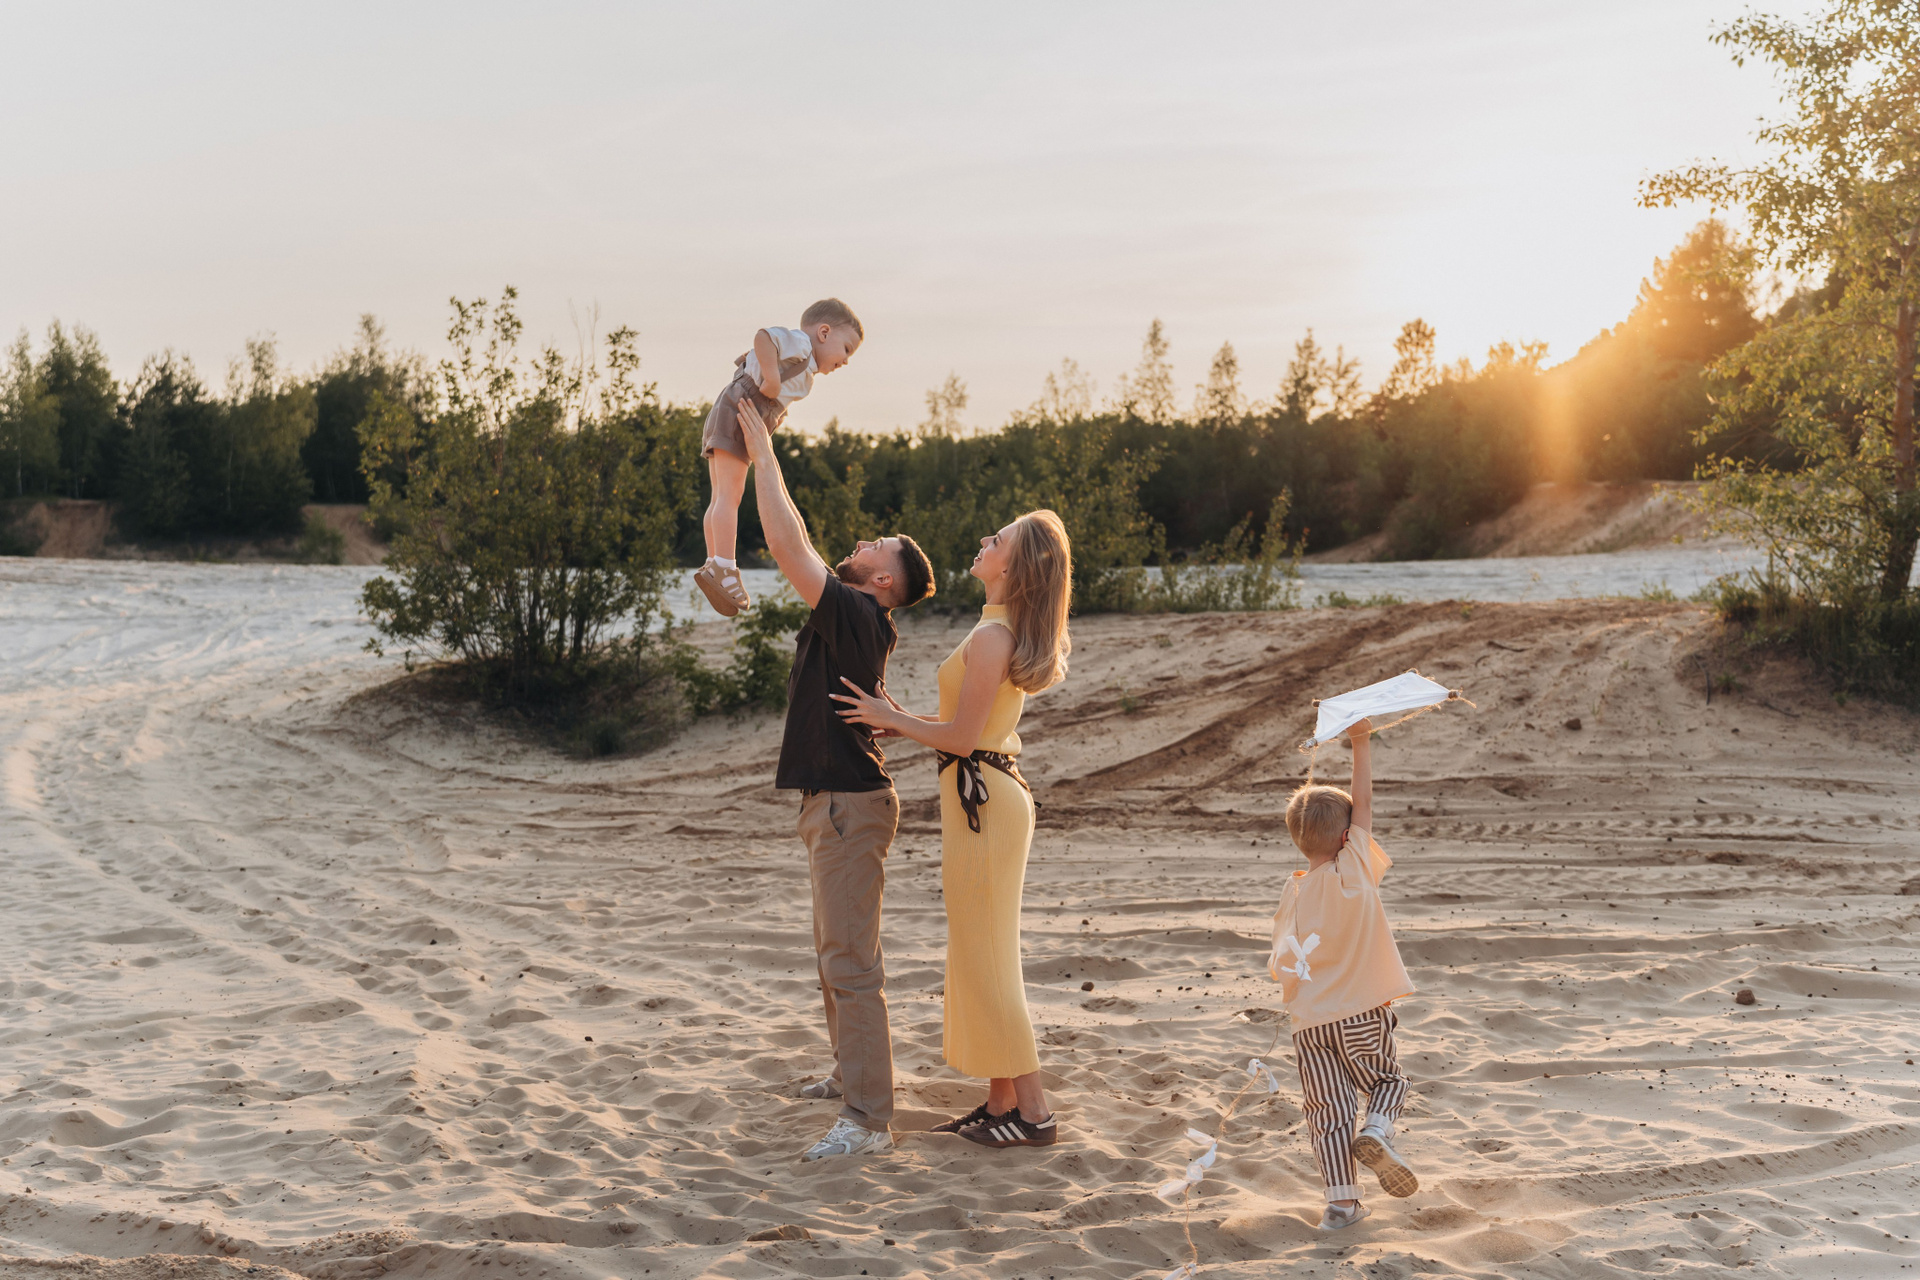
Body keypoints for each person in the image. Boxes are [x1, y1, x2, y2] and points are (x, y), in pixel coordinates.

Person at [732, 397, 935, 1162]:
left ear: (883, 579)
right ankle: (850, 1077)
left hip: (851, 806)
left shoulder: (858, 611)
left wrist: (763, 452)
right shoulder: (856, 614)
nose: (862, 541)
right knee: (834, 959)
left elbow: (788, 544)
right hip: (834, 803)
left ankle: (869, 1121)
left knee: (851, 966)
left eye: (876, 544)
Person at [832, 510, 1072, 1149]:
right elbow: (964, 726)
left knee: (988, 958)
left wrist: (893, 718)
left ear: (1015, 566)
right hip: (982, 798)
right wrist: (899, 717)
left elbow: (964, 738)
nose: (984, 540)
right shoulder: (993, 627)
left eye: (999, 539)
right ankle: (1000, 1103)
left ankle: (1035, 1114)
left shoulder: (994, 636)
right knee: (979, 952)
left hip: (984, 802)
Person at [1268, 718, 1421, 1229]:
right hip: (1360, 1015)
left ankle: (1341, 1205)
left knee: (1328, 1113)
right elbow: (1365, 805)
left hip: (1309, 1026)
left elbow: (1280, 960)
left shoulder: (1292, 891)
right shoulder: (1353, 869)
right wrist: (1359, 742)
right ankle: (1376, 1131)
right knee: (1388, 1081)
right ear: (1346, 837)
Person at [694, 300, 863, 618]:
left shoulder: (807, 371)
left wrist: (776, 416)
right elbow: (764, 338)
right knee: (730, 496)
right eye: (846, 349)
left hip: (736, 412)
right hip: (740, 410)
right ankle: (724, 567)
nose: (845, 361)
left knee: (721, 496)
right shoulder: (802, 344)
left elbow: (777, 399)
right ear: (824, 333)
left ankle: (713, 562)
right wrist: (770, 379)